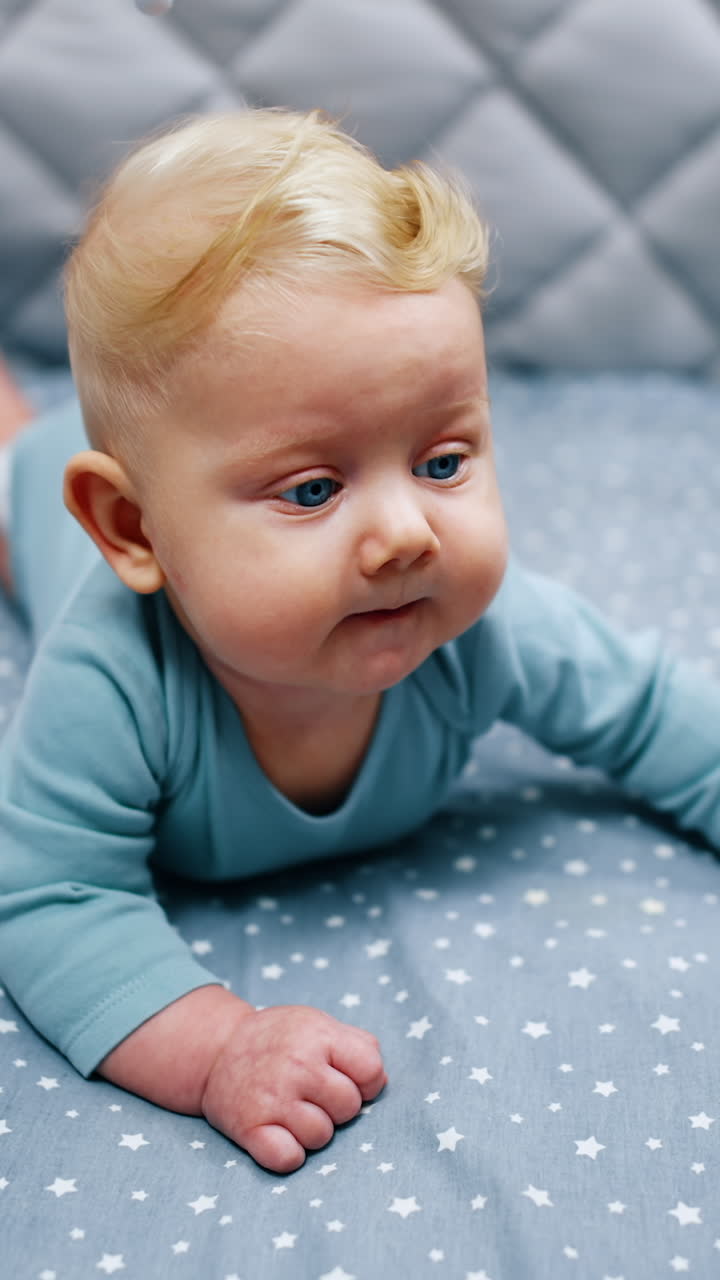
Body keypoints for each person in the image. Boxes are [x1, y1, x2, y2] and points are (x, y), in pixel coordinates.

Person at [0, 109, 719, 1176]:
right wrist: (217, 1047)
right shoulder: (115, 673)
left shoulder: (483, 624)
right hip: (41, 504)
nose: (404, 533)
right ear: (135, 529)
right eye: (313, 487)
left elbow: (659, 715)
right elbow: (52, 896)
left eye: (441, 460)